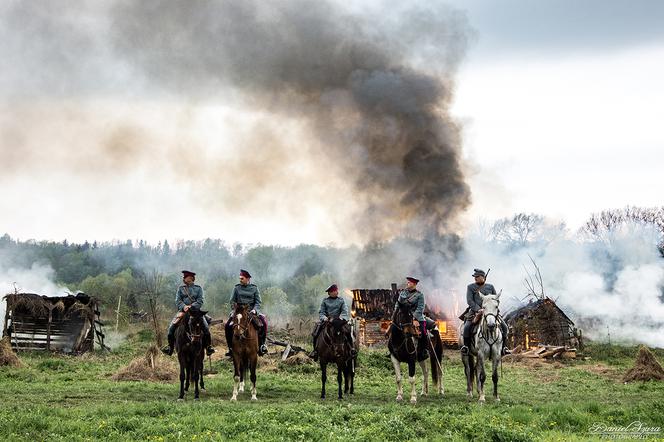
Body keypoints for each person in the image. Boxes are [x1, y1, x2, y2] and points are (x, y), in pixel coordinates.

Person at [161, 270, 215, 356]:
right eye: (184, 277)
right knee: (171, 329)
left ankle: (208, 347)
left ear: (191, 278)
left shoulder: (198, 288)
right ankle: (170, 348)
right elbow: (178, 300)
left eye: (185, 277)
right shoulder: (181, 289)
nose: (184, 278)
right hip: (183, 311)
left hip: (196, 312)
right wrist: (184, 306)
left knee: (206, 329)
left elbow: (200, 301)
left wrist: (192, 306)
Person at [460, 268, 510, 355]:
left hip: (490, 311)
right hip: (475, 311)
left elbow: (496, 299)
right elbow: (470, 301)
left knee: (504, 327)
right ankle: (466, 347)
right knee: (467, 327)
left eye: (477, 276)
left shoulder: (490, 287)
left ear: (483, 277)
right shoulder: (470, 287)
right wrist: (478, 309)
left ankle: (504, 348)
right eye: (474, 277)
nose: (475, 278)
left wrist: (491, 308)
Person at [224, 269, 268, 357]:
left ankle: (262, 345)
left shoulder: (254, 288)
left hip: (251, 312)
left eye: (242, 278)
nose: (240, 280)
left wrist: (255, 310)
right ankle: (230, 348)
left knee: (263, 323)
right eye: (240, 278)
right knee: (228, 326)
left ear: (248, 279)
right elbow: (232, 301)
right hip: (239, 312)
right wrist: (235, 310)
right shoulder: (236, 288)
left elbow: (258, 302)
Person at [308, 284, 356, 361]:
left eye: (335, 291)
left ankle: (351, 348)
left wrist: (342, 318)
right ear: (329, 293)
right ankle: (315, 351)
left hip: (339, 321)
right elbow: (322, 312)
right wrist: (324, 318)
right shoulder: (325, 301)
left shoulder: (341, 300)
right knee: (316, 331)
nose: (335, 292)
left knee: (348, 331)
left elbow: (345, 311)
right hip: (328, 321)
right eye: (332, 291)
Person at [393, 276, 434, 359]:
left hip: (417, 316)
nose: (408, 284)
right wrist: (396, 313)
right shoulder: (403, 293)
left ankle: (424, 350)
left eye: (410, 282)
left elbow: (420, 308)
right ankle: (393, 349)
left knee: (423, 331)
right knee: (393, 328)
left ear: (414, 284)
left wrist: (414, 318)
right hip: (404, 316)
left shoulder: (419, 295)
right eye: (407, 282)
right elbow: (398, 305)